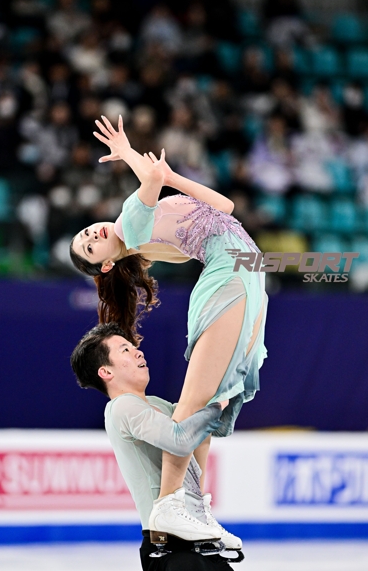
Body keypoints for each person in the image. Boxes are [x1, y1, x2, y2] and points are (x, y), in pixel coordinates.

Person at [69, 115, 268, 542]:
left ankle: (193, 507)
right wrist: (129, 154)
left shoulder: (140, 229)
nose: (93, 234)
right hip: (231, 276)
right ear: (106, 263)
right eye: (90, 245)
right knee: (196, 401)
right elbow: (152, 179)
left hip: (248, 273)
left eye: (87, 233)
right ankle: (170, 504)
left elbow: (225, 208)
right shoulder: (130, 222)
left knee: (207, 399)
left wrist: (172, 176)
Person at [70, 322, 243, 570]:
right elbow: (179, 440)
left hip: (192, 538)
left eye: (133, 347)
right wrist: (218, 405)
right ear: (106, 372)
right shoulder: (121, 406)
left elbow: (217, 427)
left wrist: (235, 382)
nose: (138, 352)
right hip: (169, 547)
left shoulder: (157, 405)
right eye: (125, 350)